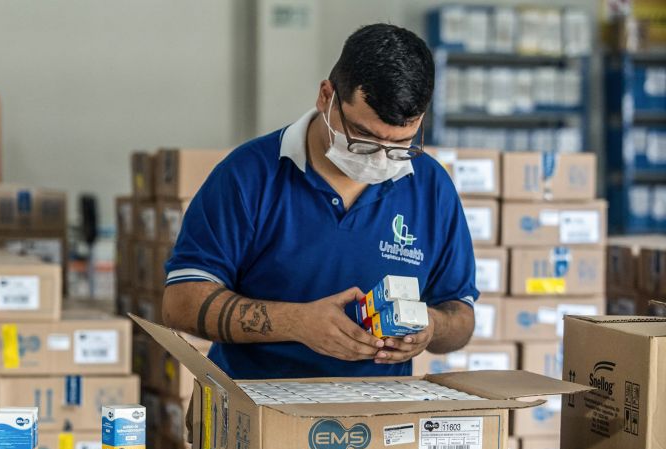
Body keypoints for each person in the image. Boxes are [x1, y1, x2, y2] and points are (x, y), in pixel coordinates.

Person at [161, 23, 477, 379]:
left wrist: (431, 327)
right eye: (363, 136)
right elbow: (181, 302)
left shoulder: (431, 187)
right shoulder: (248, 175)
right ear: (326, 97)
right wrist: (297, 322)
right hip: (256, 411)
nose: (379, 159)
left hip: (377, 417)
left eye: (399, 144)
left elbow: (460, 315)